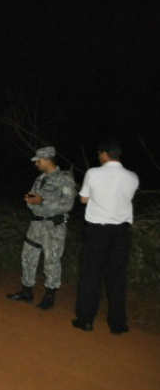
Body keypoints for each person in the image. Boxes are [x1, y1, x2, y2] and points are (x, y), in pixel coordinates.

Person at [73, 140, 139, 334]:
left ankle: (85, 320)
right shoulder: (133, 177)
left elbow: (84, 199)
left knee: (91, 274)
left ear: (104, 154)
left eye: (99, 154)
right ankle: (118, 324)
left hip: (98, 231)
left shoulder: (93, 173)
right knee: (117, 277)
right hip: (121, 233)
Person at [7, 147, 76, 310]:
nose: (36, 163)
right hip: (36, 224)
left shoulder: (64, 179)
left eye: (38, 160)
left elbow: (68, 204)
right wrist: (31, 201)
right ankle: (26, 291)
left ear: (47, 160)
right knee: (28, 256)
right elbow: (33, 198)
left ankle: (50, 296)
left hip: (53, 226)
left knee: (51, 261)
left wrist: (41, 201)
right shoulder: (39, 179)